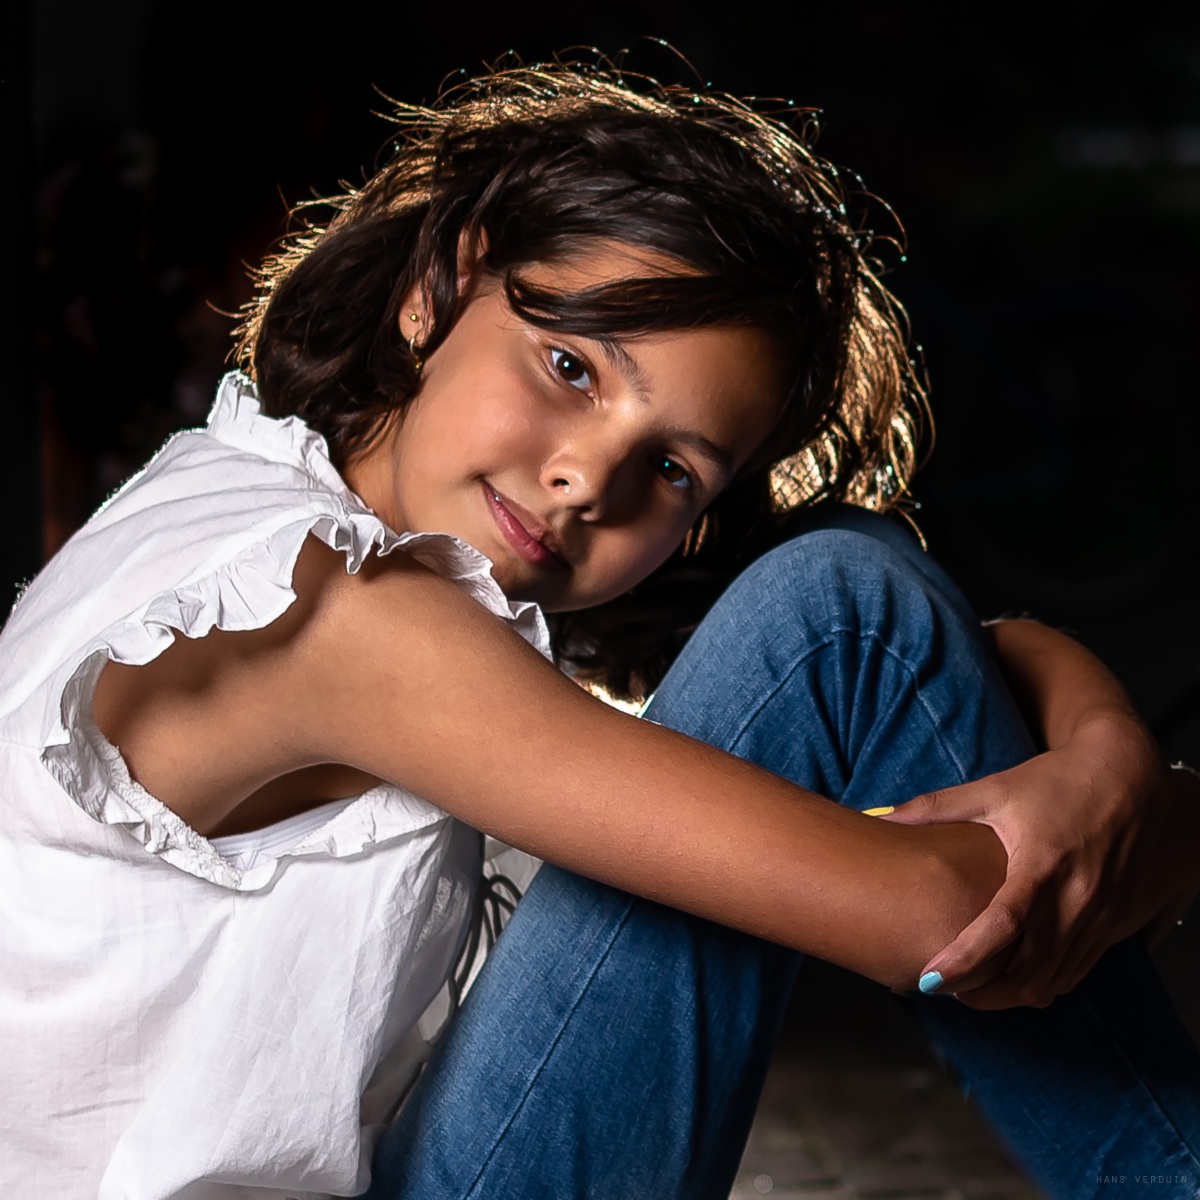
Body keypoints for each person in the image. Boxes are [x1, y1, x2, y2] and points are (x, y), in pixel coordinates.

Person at [1, 62, 1198, 1200]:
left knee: (853, 584)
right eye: (570, 367)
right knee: (844, 598)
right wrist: (1151, 813)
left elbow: (911, 673)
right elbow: (941, 921)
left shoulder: (240, 493)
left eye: (673, 470)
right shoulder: (340, 615)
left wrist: (1107, 755)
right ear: (438, 288)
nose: (587, 480)